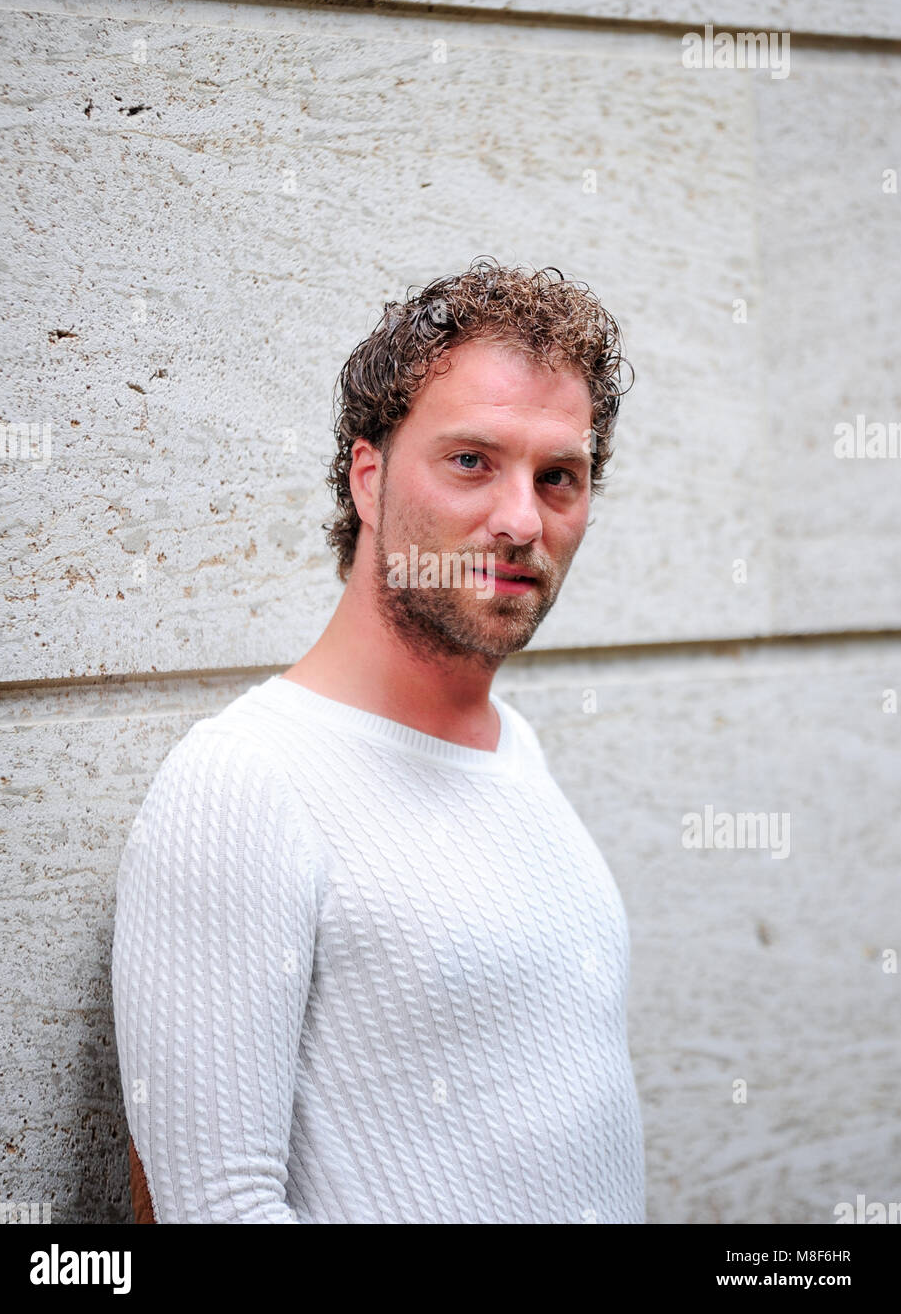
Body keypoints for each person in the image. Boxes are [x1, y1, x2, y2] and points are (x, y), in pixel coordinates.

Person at [112, 256, 647, 1223]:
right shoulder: (245, 782)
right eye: (471, 461)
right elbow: (213, 1212)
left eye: (557, 476)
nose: (521, 519)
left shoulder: (513, 749)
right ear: (370, 475)